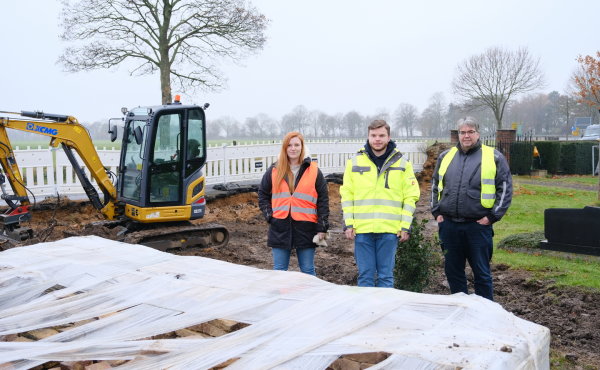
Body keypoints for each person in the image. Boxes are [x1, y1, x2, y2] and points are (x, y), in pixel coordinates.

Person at [431, 117, 513, 301]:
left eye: (470, 132)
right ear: (458, 134)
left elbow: (505, 188)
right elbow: (435, 184)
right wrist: (436, 212)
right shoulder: (446, 157)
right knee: (453, 272)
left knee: (482, 273)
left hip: (478, 226)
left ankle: (485, 314)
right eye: (462, 132)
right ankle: (460, 309)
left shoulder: (493, 157)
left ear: (478, 133)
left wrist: (492, 217)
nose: (466, 136)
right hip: (449, 226)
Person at [340, 120, 420, 288]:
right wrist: (349, 224)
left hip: (390, 230)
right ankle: (367, 313)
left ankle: (384, 313)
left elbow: (411, 196)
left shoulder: (403, 163)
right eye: (373, 135)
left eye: (381, 135)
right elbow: (347, 195)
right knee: (365, 276)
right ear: (368, 137)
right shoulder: (354, 162)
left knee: (385, 276)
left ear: (388, 137)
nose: (377, 139)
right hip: (362, 230)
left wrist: (405, 226)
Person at [258, 132, 329, 276]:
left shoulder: (314, 171)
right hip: (280, 228)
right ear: (284, 148)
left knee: (308, 270)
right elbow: (262, 194)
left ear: (302, 147)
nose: (293, 148)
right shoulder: (274, 170)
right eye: (289, 145)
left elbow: (323, 199)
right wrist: (270, 217)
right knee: (279, 271)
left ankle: (311, 298)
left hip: (306, 228)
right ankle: (281, 298)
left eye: (297, 145)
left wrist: (322, 226)